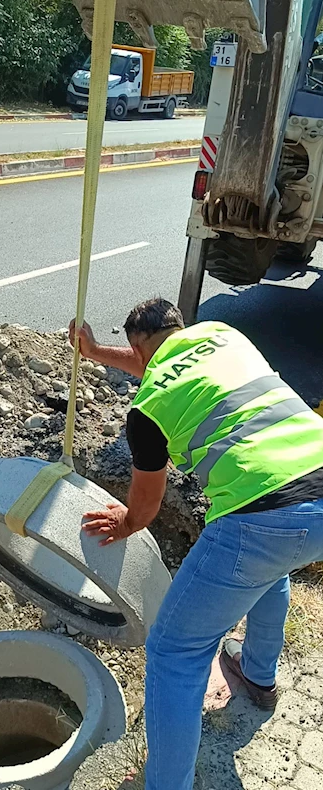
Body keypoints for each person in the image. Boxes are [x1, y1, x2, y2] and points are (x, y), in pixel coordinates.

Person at [69, 298, 323, 790]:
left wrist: (126, 521)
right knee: (271, 569)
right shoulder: (222, 335)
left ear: (137, 349)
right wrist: (96, 351)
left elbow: (146, 507)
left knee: (174, 651)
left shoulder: (147, 408)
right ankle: (258, 677)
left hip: (261, 513)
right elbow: (159, 365)